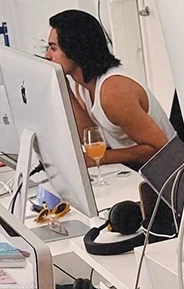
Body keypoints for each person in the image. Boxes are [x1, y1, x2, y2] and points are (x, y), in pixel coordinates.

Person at [45, 9, 175, 170]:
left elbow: (159, 149)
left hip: (169, 174)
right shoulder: (82, 84)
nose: (47, 56)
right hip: (135, 171)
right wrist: (63, 87)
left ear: (74, 49)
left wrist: (98, 158)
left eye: (53, 48)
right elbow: (90, 136)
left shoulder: (113, 92)